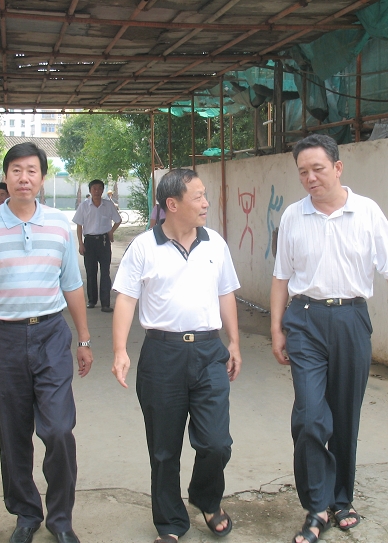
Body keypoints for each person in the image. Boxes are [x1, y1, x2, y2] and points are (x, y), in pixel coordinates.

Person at [270, 134, 388, 543]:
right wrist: (276, 328)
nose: (310, 178)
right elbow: (281, 276)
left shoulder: (367, 212)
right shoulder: (293, 216)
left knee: (344, 416)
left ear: (337, 168)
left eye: (318, 169)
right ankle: (317, 505)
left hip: (352, 318)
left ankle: (341, 499)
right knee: (309, 416)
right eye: (303, 172)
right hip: (305, 320)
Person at [0, 142, 93, 543]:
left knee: (59, 429)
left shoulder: (59, 225)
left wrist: (83, 339)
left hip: (50, 334)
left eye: (32, 170)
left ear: (42, 178)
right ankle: (27, 513)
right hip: (4, 339)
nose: (24, 178)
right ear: (6, 176)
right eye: (16, 170)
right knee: (13, 432)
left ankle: (61, 520)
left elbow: (72, 285)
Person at [112, 169, 242, 543]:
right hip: (162, 354)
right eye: (198, 196)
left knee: (216, 443)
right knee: (164, 449)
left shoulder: (215, 244)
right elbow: (126, 299)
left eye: (205, 195)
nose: (206, 203)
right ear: (172, 204)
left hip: (208, 351)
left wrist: (234, 342)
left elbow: (226, 293)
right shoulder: (143, 247)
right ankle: (170, 523)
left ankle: (206, 497)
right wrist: (120, 349)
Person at [72, 179, 122, 312]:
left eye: (100, 188)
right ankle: (92, 300)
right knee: (91, 272)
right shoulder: (84, 206)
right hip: (89, 242)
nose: (97, 191)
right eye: (94, 188)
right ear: (90, 190)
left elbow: (118, 220)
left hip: (104, 241)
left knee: (105, 272)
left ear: (103, 190)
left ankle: (105, 303)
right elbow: (79, 225)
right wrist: (81, 243)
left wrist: (111, 232)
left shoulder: (108, 205)